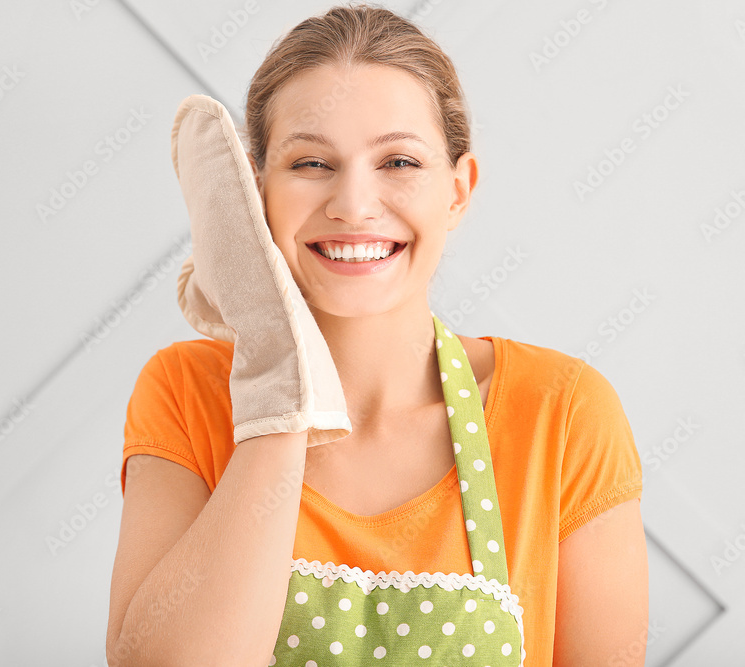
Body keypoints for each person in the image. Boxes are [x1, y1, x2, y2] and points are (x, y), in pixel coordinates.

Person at [106, 4, 647, 666]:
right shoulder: (187, 391)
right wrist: (277, 383)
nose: (354, 204)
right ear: (255, 193)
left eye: (397, 161)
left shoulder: (563, 413)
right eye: (310, 163)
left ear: (457, 190)